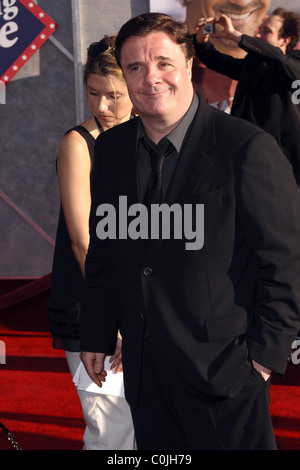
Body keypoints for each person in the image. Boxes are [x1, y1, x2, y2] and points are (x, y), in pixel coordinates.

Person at [80, 13, 300, 450]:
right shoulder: (110, 150)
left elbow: (286, 262)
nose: (151, 78)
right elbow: (106, 249)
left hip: (226, 378)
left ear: (188, 63)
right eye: (136, 68)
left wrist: (260, 360)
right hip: (145, 375)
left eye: (163, 63)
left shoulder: (247, 148)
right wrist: (97, 332)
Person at [48, 35, 136, 450]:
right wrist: (110, 320)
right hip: (93, 304)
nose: (102, 107)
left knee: (144, 424)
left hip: (141, 301)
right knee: (112, 427)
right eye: (93, 94)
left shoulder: (146, 138)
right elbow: (82, 242)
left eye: (113, 96)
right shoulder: (78, 145)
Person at [194, 8, 300, 184]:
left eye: (266, 31)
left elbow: (280, 60)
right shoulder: (253, 64)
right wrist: (201, 39)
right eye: (259, 29)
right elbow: (216, 60)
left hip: (284, 164)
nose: (258, 34)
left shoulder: (294, 63)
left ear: (285, 40)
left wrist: (236, 36)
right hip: (245, 155)